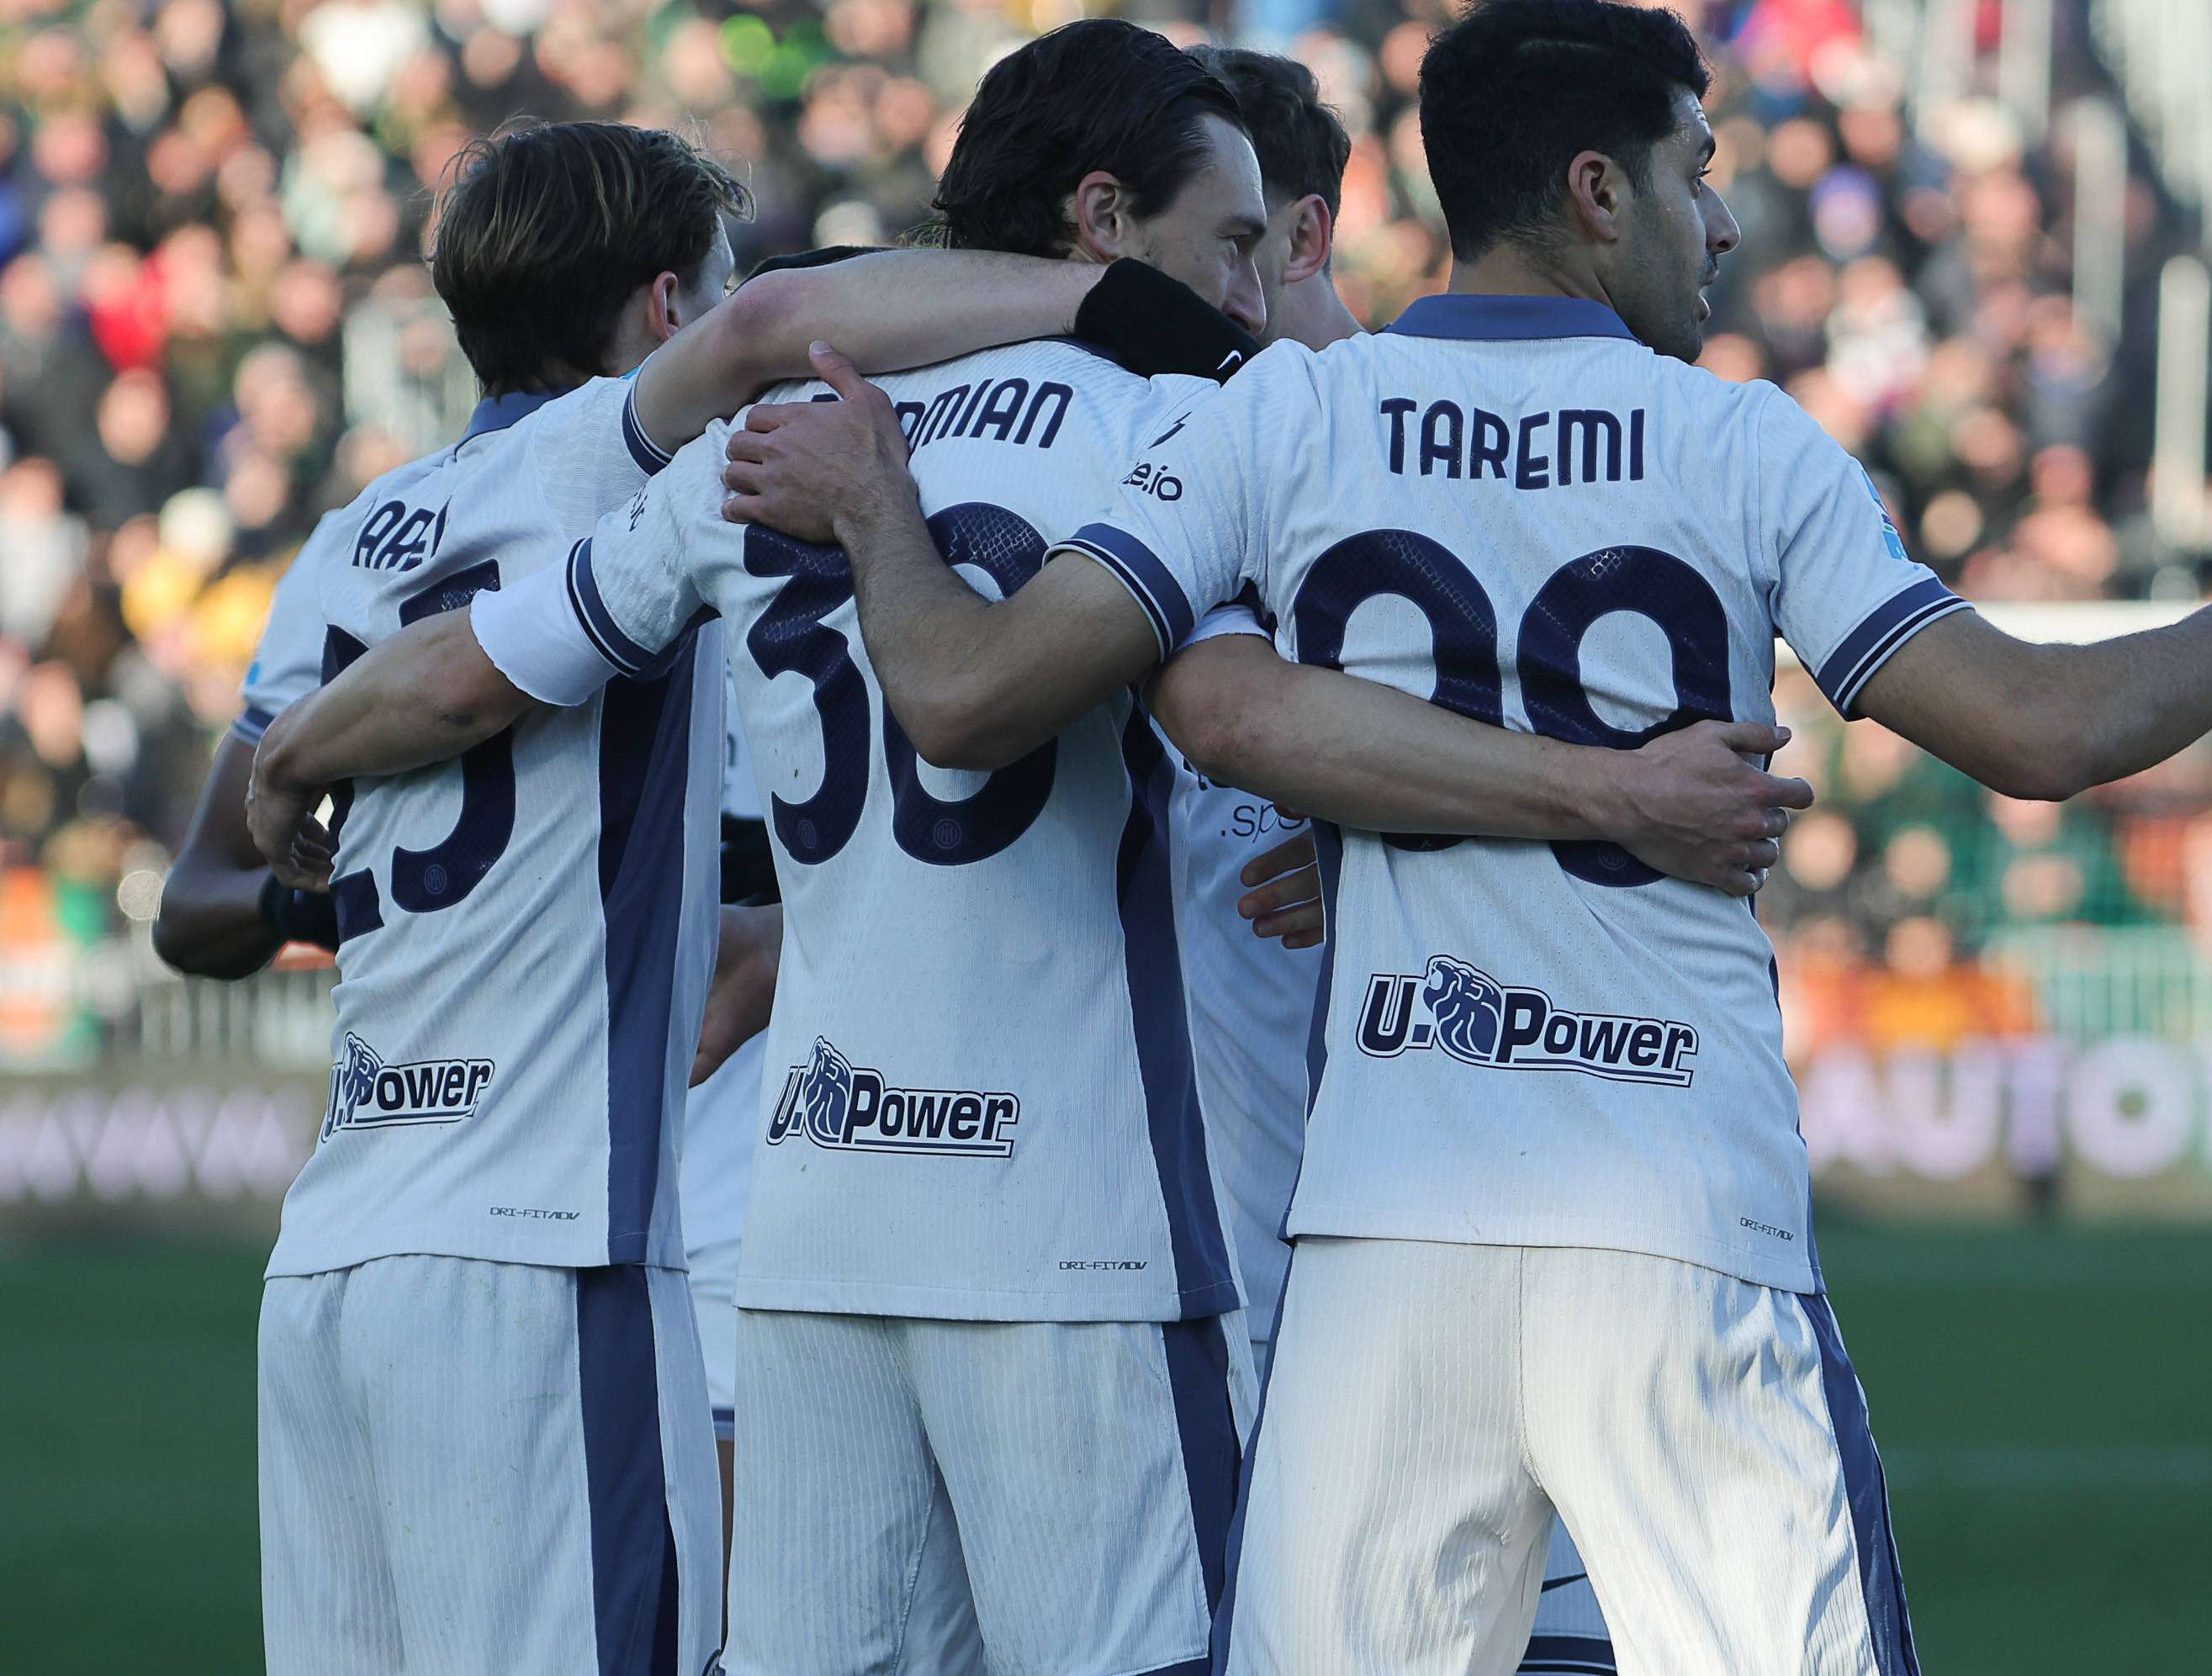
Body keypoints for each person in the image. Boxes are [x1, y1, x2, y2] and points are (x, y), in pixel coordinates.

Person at [708, 2, 2212, 1668]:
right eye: (1697, 174)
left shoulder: (1293, 413)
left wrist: (880, 512)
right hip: (1665, 1205)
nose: (1717, 227)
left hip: (1386, 1240)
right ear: (1592, 190)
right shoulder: (1739, 442)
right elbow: (2044, 729)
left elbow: (1094, 696)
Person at [246, 23, 1801, 1674]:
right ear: (1101, 220)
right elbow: (1267, 704)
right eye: (1222, 244)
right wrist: (1564, 794)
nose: (1246, 294)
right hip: (1091, 1241)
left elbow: (479, 663)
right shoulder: (1201, 420)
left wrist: (295, 755)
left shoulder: (767, 445)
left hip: (822, 1237)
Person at [201, 116, 1288, 1676]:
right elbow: (786, 333)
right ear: (667, 313)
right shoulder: (655, 449)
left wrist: (294, 747)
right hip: (580, 1234)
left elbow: (390, 735)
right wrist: (1119, 305)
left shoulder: (360, 535)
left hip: (362, 1229)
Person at [1180, 44, 1629, 1674]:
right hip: (1364, 1214)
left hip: (1388, 1217)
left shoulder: (1294, 440)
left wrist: (1390, 801)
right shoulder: (1214, 442)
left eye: (1226, 246)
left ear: (1297, 238)